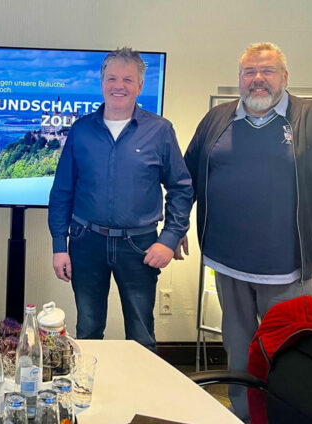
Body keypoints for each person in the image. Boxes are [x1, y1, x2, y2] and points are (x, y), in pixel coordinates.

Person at [182, 42, 312, 421]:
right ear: (239, 78)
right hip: (228, 267)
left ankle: (285, 418)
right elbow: (189, 179)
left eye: (267, 71)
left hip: (290, 270)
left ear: (285, 76)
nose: (258, 79)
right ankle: (244, 415)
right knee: (238, 352)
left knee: (290, 356)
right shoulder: (217, 120)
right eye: (249, 72)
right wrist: (177, 227)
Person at [48, 47, 193, 350]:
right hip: (86, 243)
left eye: (128, 79)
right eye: (112, 78)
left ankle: (141, 384)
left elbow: (181, 188)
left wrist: (169, 239)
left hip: (140, 246)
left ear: (140, 86)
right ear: (102, 83)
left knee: (141, 334)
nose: (119, 86)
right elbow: (62, 192)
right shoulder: (81, 130)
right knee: (88, 330)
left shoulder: (160, 130)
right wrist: (60, 246)